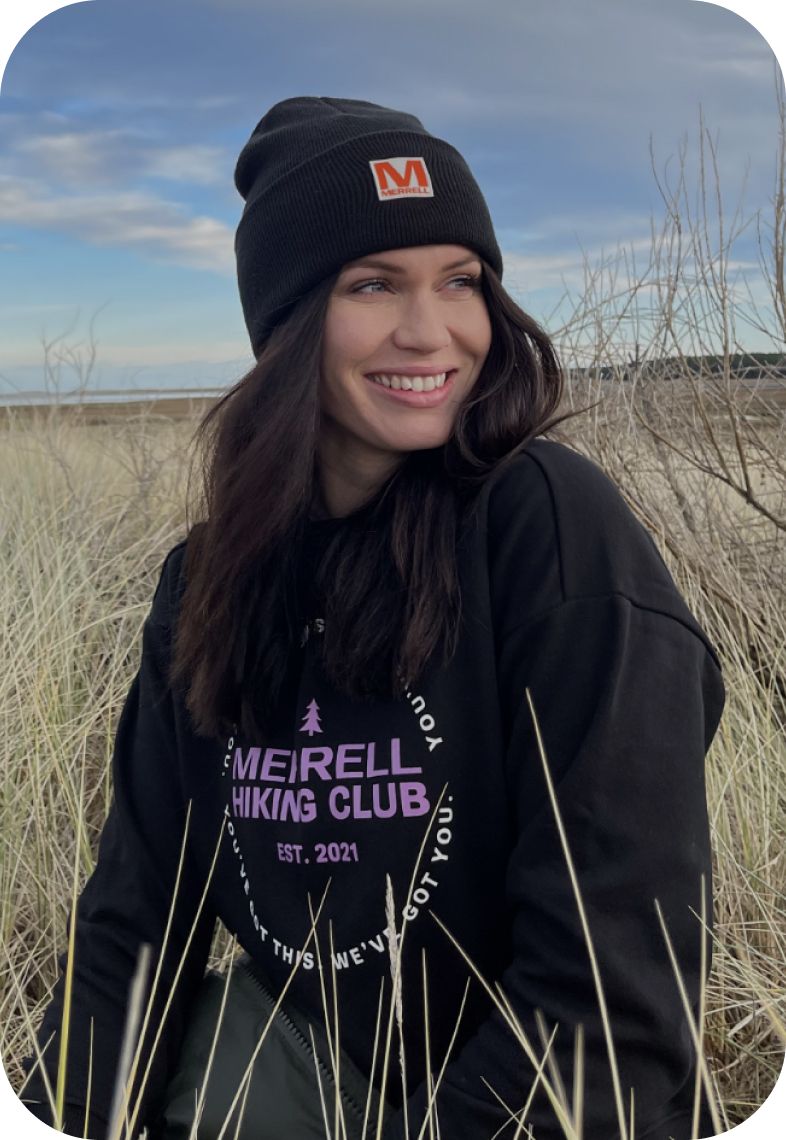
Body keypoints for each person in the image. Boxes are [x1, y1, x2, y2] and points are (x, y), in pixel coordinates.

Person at [19, 97, 725, 1140]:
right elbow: (134, 924)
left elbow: (615, 992)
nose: (431, 332)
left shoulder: (546, 530)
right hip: (314, 1061)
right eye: (374, 284)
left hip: (533, 1095)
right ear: (287, 322)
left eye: (461, 281)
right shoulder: (210, 584)